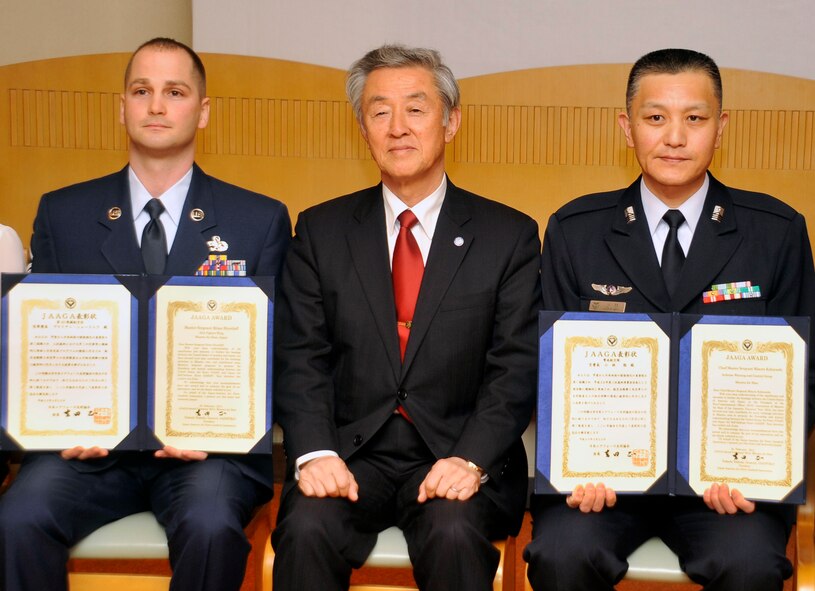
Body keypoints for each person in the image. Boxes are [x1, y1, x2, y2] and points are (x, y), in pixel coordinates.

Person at [0, 38, 290, 591]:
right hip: (85, 454)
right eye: (141, 91)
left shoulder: (258, 220)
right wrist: (56, 424)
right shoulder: (63, 213)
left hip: (208, 455)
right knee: (17, 519)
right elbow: (40, 350)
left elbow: (282, 354)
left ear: (203, 111)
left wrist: (222, 427)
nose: (156, 105)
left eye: (175, 92)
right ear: (122, 107)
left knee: (210, 526)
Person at [524, 48, 815, 591]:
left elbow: (805, 374)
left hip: (727, 490)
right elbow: (549, 371)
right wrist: (577, 464)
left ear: (720, 128)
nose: (675, 137)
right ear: (626, 127)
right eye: (655, 117)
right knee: (562, 555)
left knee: (750, 566)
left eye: (695, 118)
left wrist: (757, 468)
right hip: (604, 484)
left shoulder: (775, 232)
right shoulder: (576, 230)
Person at [272, 44, 541, 591]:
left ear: (451, 122)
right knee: (307, 527)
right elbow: (301, 357)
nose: (398, 127)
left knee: (454, 532)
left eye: (416, 109)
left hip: (455, 452)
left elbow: (515, 368)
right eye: (380, 112)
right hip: (349, 453)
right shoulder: (321, 232)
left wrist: (470, 459)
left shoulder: (508, 236)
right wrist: (316, 453)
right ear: (362, 128)